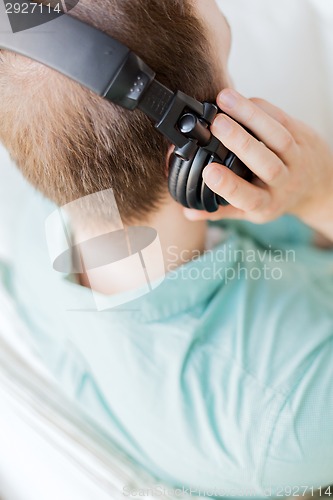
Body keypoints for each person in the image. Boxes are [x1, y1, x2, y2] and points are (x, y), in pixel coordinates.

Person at [0, 0, 332, 497]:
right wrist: (322, 192)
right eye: (227, 42)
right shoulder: (293, 407)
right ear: (200, 154)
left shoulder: (36, 215)